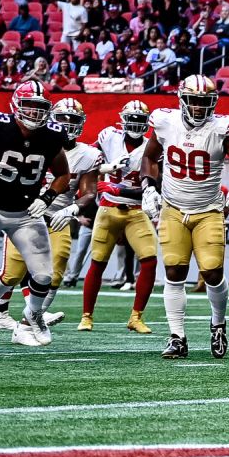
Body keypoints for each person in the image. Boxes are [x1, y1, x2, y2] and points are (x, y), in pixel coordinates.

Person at [141, 75, 229, 360]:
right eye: (194, 101)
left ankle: (218, 324)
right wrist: (147, 187)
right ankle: (177, 337)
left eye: (205, 102)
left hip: (209, 210)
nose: (199, 107)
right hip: (173, 208)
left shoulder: (221, 128)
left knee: (212, 272)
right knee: (174, 272)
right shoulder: (166, 122)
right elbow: (149, 158)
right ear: (182, 100)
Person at [0, 99, 100, 332]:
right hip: (24, 213)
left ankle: (29, 322)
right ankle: (1, 312)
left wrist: (72, 208)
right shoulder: (34, 140)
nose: (67, 124)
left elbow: (88, 191)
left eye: (73, 120)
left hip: (58, 215)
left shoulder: (88, 154)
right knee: (12, 272)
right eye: (62, 118)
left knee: (54, 268)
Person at [0, 81, 70, 346]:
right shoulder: (1, 127)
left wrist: (47, 197)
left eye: (40, 108)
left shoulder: (52, 135)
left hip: (24, 212)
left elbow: (63, 174)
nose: (34, 113)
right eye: (29, 106)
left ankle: (27, 325)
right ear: (16, 103)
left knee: (42, 276)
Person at [78, 100, 160, 334]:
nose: (135, 124)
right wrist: (99, 175)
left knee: (150, 260)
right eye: (131, 119)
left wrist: (118, 189)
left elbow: (155, 186)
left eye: (139, 120)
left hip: (136, 210)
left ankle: (136, 317)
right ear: (123, 120)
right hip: (108, 209)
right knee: (98, 262)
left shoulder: (153, 147)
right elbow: (89, 161)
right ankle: (86, 316)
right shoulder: (108, 137)